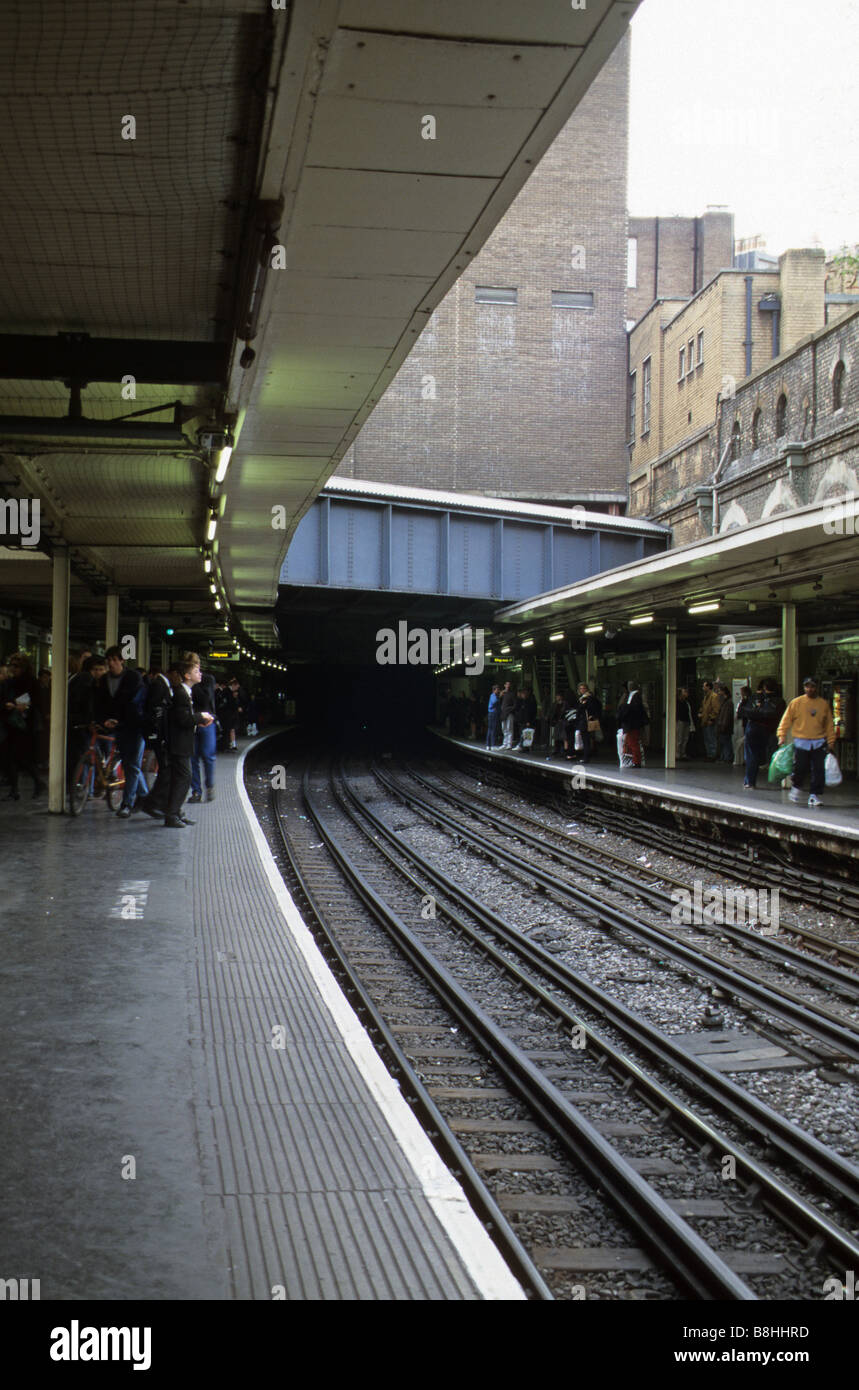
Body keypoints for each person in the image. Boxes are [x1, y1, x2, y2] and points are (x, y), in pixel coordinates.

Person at [138, 656, 214, 827]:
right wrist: (200, 717)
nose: (200, 673)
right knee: (184, 778)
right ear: (187, 675)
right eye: (196, 671)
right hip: (179, 744)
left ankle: (176, 812)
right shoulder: (180, 694)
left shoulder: (185, 692)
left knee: (178, 778)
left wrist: (199, 718)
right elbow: (183, 719)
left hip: (181, 743)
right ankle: (171, 815)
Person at [94, 645, 144, 818]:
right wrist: (103, 720)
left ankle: (127, 804)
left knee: (131, 764)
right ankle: (145, 796)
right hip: (115, 725)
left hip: (134, 726)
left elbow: (135, 703)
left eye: (115, 660)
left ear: (122, 661)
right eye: (109, 660)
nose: (112, 663)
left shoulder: (133, 678)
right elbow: (100, 703)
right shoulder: (104, 680)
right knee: (131, 764)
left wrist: (119, 720)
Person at [777, 676, 836, 808]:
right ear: (804, 688)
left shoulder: (823, 704)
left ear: (817, 688)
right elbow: (786, 720)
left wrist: (831, 741)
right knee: (800, 768)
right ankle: (796, 787)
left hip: (819, 742)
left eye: (812, 686)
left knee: (818, 770)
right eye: (807, 686)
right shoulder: (796, 703)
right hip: (801, 741)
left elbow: (829, 725)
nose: (810, 689)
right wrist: (781, 735)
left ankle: (814, 795)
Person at [0, 651, 45, 798]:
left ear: (24, 667)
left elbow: (38, 702)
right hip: (11, 723)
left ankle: (37, 782)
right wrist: (7, 705)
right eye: (12, 666)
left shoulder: (32, 682)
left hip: (26, 725)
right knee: (11, 757)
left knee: (22, 758)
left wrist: (26, 706)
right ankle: (15, 789)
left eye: (17, 666)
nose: (14, 669)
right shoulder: (8, 682)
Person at [738, 682, 780, 790]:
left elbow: (742, 711)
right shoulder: (779, 701)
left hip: (753, 727)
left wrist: (756, 712)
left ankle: (749, 781)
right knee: (764, 752)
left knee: (751, 754)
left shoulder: (755, 698)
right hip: (768, 730)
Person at [189, 657, 217, 803]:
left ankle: (210, 786)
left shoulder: (207, 679)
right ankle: (196, 792)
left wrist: (194, 684)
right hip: (192, 723)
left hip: (207, 722)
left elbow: (206, 699)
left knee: (208, 756)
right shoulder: (185, 682)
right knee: (192, 758)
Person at [619, 685, 649, 768]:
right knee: (632, 742)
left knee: (632, 743)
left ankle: (636, 761)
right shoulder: (636, 697)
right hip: (633, 724)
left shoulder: (634, 697)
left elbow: (630, 710)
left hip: (631, 724)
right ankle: (635, 760)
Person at [698, 680, 720, 760]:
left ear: (708, 687)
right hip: (704, 721)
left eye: (704, 686)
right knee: (707, 739)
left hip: (710, 721)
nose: (703, 688)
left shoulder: (713, 696)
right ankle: (709, 754)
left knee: (711, 738)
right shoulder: (705, 697)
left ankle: (713, 755)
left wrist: (712, 719)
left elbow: (716, 709)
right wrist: (701, 713)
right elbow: (703, 707)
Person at [715, 682, 734, 763]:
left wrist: (723, 725)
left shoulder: (728, 703)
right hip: (724, 725)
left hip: (725, 726)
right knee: (724, 742)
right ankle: (725, 757)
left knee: (726, 742)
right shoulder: (726, 702)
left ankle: (727, 757)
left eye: (720, 691)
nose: (718, 693)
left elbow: (726, 716)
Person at [676, 685, 695, 760]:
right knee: (679, 738)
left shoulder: (686, 702)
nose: (686, 693)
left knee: (685, 738)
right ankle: (678, 753)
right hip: (680, 720)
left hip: (686, 721)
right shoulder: (677, 702)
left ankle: (683, 753)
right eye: (684, 692)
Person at [733, 686, 751, 765]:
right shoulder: (746, 701)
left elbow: (740, 712)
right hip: (744, 722)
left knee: (742, 741)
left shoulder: (745, 701)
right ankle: (743, 759)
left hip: (744, 723)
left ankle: (743, 759)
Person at [500, 680, 516, 750]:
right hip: (503, 713)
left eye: (509, 684)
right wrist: (501, 694)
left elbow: (515, 704)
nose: (508, 686)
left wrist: (509, 709)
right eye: (507, 684)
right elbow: (499, 701)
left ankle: (509, 744)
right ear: (504, 685)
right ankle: (505, 743)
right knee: (504, 728)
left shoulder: (512, 694)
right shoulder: (503, 694)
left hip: (509, 713)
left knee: (509, 728)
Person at [486, 684, 501, 750]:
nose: (498, 691)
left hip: (492, 713)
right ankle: (492, 745)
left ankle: (489, 745)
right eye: (497, 689)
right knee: (492, 729)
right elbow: (494, 702)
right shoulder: (493, 696)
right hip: (492, 713)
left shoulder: (493, 695)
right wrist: (499, 697)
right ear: (494, 690)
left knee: (491, 729)